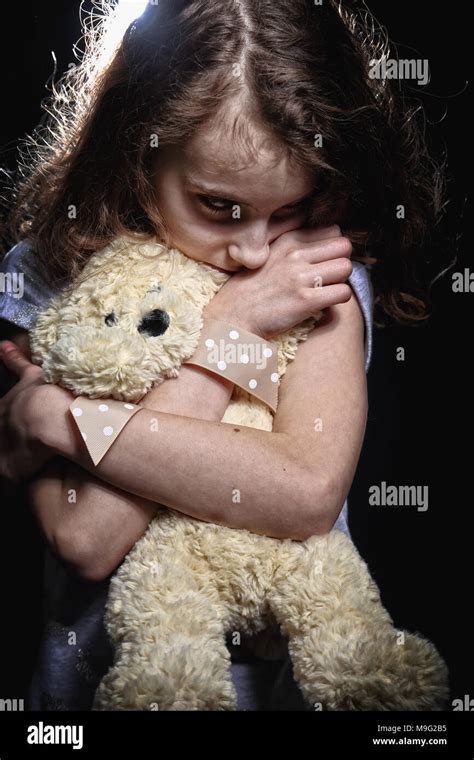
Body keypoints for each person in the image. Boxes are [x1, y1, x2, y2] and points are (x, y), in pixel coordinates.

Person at [0, 0, 443, 710]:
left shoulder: (319, 277)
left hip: (272, 690)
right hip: (88, 694)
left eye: (292, 207)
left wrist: (57, 417)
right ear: (135, 150)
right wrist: (230, 328)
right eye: (218, 206)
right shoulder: (52, 274)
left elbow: (302, 493)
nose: (257, 251)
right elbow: (88, 535)